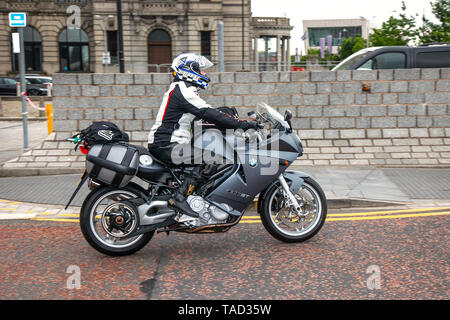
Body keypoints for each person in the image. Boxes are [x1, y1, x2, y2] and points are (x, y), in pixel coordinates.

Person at [148, 52, 259, 218]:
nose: (204, 74)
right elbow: (208, 113)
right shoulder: (182, 90)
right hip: (166, 144)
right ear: (188, 70)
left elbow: (207, 116)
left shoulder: (181, 90)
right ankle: (180, 197)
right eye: (200, 70)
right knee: (213, 159)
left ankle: (195, 197)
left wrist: (228, 119)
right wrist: (242, 124)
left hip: (168, 142)